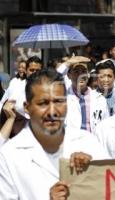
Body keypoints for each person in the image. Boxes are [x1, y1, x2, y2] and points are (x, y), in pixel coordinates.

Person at [0, 68, 105, 200]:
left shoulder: (88, 142)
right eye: (43, 103)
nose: (52, 111)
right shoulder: (9, 155)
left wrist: (94, 171)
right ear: (27, 108)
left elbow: (112, 190)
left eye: (58, 101)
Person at [65, 61, 109, 133]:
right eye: (76, 72)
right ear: (69, 75)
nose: (80, 75)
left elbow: (106, 127)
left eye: (83, 71)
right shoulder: (63, 98)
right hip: (72, 142)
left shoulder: (100, 99)